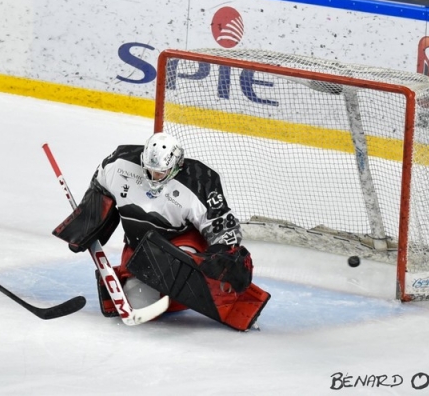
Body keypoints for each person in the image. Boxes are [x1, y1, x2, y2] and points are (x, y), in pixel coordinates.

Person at [52, 132, 270, 331]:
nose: (154, 176)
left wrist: (222, 255)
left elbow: (224, 227)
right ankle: (173, 292)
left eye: (161, 172)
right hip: (140, 250)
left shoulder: (199, 181)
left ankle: (197, 292)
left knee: (175, 271)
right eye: (150, 169)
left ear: (177, 166)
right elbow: (100, 187)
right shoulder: (119, 163)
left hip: (183, 246)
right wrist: (88, 221)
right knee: (137, 307)